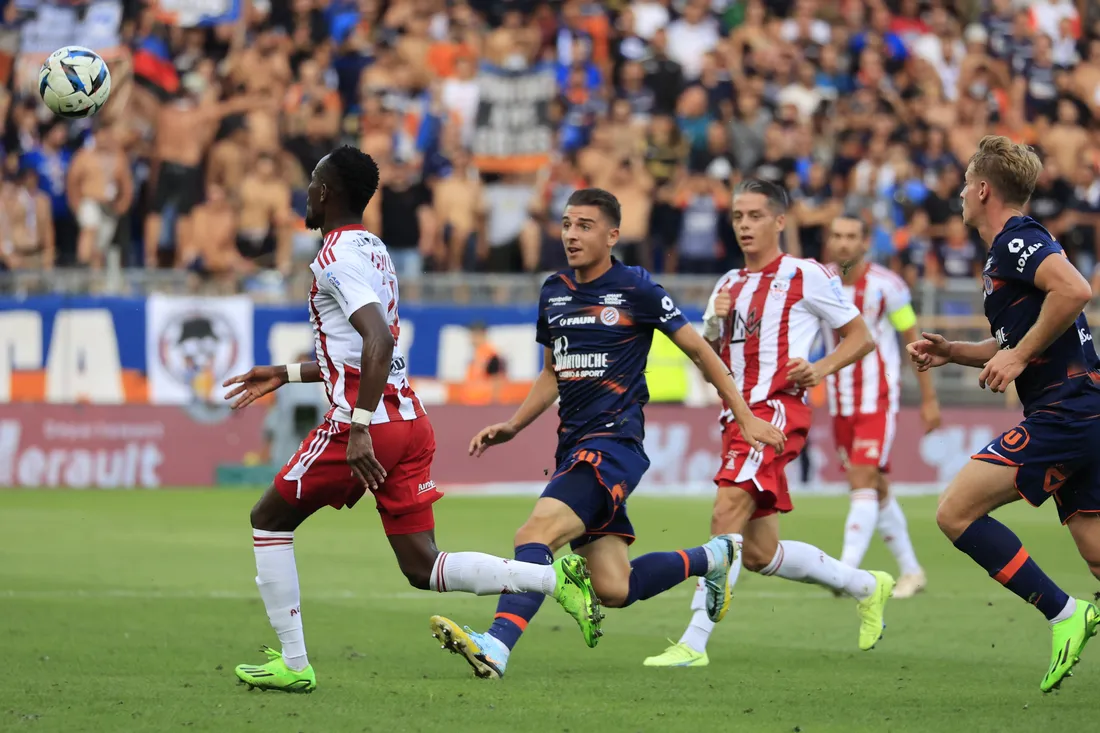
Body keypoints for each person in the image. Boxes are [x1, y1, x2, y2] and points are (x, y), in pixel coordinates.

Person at [222, 147, 601, 694]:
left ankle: (294, 661)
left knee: (269, 520)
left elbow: (376, 339)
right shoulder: (372, 248)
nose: (306, 192)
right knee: (423, 566)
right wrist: (286, 372)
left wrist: (355, 425)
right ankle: (551, 578)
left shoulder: (334, 258)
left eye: (312, 183)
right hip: (408, 419)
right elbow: (363, 348)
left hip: (368, 424)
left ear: (327, 193)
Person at [428, 187, 786, 679]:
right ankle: (713, 556)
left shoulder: (637, 288)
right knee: (614, 588)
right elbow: (554, 371)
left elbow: (701, 353)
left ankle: (497, 646)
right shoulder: (553, 291)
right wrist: (514, 424)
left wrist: (744, 415)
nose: (571, 235)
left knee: (534, 534)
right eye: (568, 224)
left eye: (585, 226)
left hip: (613, 446)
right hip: (574, 445)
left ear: (612, 235)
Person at [644, 179, 895, 669]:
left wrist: (818, 369)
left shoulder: (806, 275)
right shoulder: (728, 285)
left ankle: (694, 641)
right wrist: (713, 327)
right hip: (735, 417)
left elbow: (860, 336)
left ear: (780, 221)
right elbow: (710, 361)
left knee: (725, 514)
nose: (744, 225)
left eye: (755, 215)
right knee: (759, 552)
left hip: (775, 410)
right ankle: (867, 585)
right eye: (738, 216)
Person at [907, 135, 1100, 692]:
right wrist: (954, 353)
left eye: (967, 183)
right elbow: (1012, 341)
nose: (962, 194)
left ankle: (1066, 615)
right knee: (1095, 551)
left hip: (1067, 410)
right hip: (1078, 409)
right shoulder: (1004, 255)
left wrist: (1017, 355)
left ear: (984, 188)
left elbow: (1075, 289)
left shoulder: (1019, 239)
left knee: (954, 512)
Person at [823, 215, 941, 597]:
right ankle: (912, 570)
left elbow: (913, 339)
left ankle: (845, 573)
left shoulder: (889, 286)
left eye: (851, 237)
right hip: (840, 401)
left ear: (865, 243)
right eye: (837, 235)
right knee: (875, 484)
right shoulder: (818, 281)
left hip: (878, 398)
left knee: (861, 478)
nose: (843, 243)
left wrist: (929, 398)